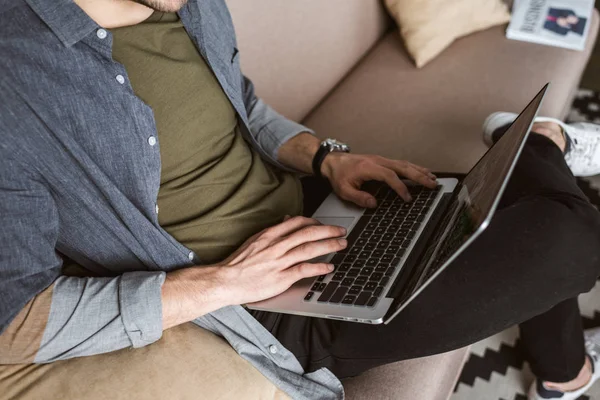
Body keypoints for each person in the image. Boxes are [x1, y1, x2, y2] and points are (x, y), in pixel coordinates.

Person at [0, 1, 599, 399]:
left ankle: (564, 376)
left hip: (315, 203)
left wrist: (324, 156)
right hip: (273, 305)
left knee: (497, 202)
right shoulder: (15, 73)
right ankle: (542, 144)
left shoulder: (183, 4)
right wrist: (224, 283)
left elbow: (240, 105)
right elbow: (15, 327)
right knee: (572, 234)